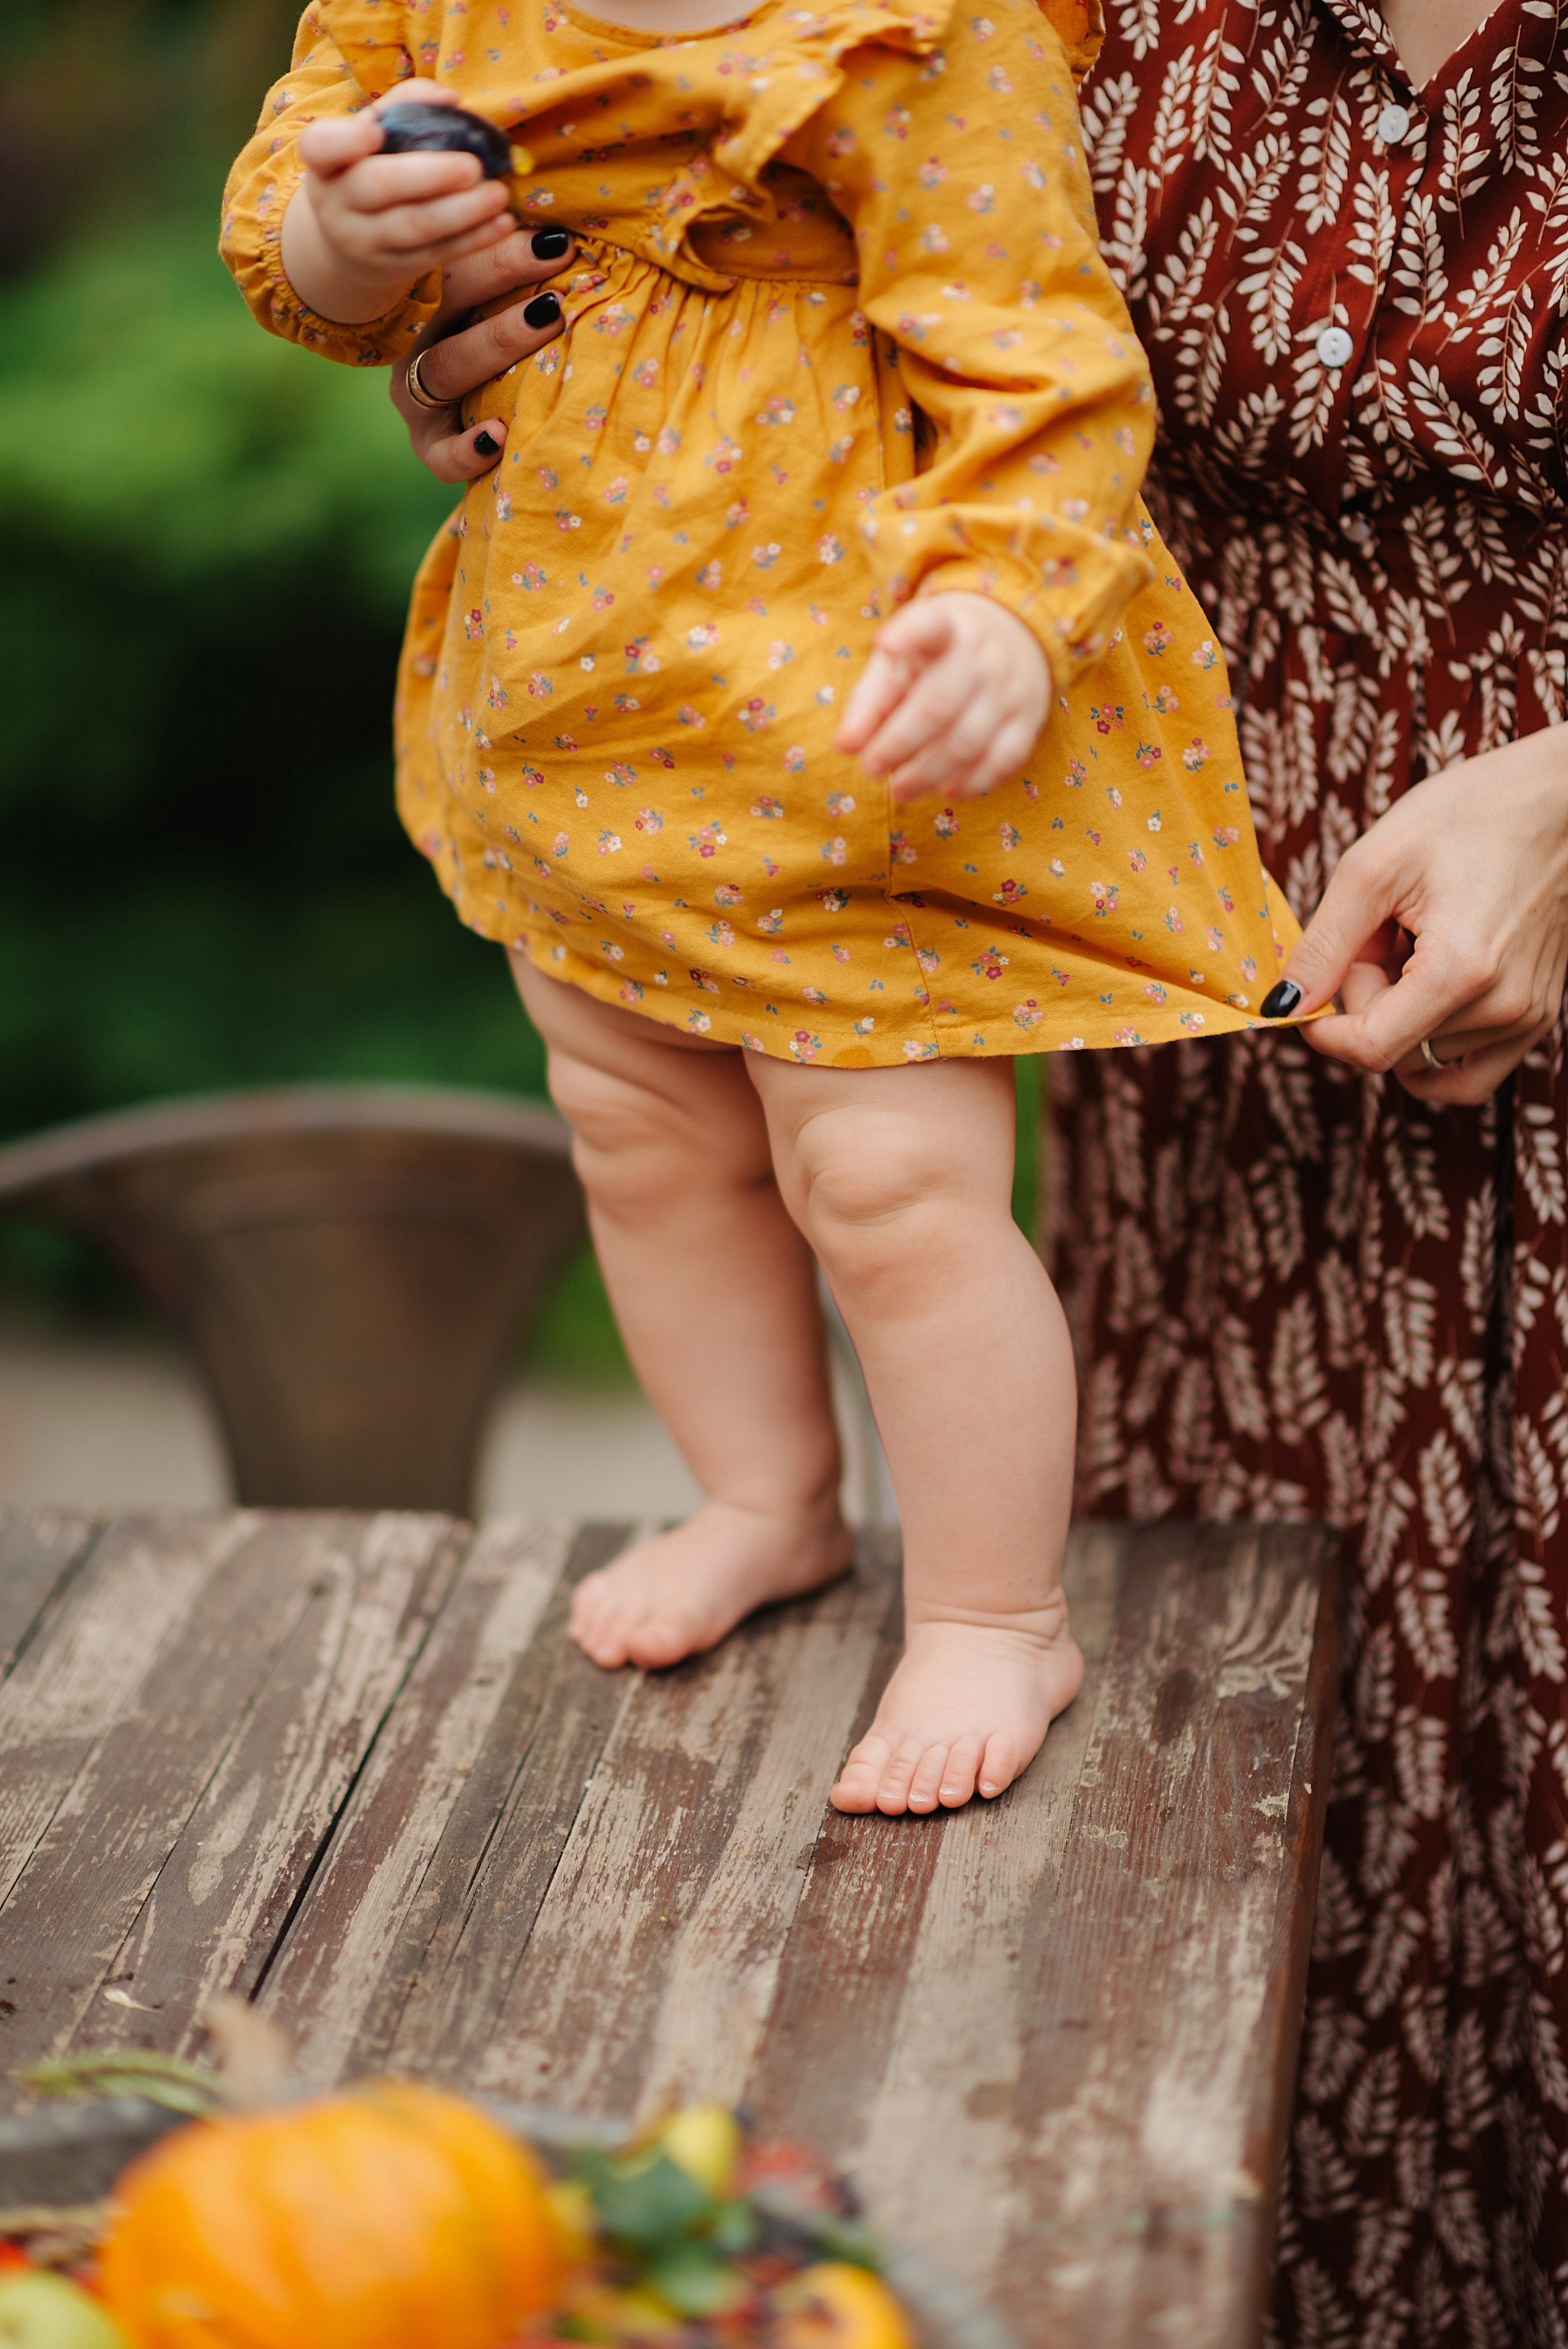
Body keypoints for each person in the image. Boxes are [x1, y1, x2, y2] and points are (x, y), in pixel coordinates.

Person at [221, 0, 1305, 1818]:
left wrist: (1009, 606)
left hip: (863, 723)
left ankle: (990, 1607)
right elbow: (308, 243)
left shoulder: (918, 27)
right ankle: (767, 1497)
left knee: (884, 1183)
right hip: (590, 693)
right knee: (637, 1132)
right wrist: (343, 242)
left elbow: (1041, 360)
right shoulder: (441, 12)